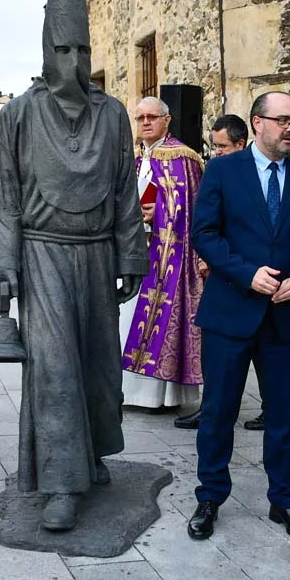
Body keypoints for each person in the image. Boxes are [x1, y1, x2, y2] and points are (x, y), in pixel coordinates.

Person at [0, 0, 147, 533]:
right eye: (64, 47)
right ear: (46, 49)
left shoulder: (112, 116)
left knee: (97, 369)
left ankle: (92, 456)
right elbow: (4, 196)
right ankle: (59, 483)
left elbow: (122, 190)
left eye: (83, 47)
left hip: (95, 254)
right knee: (54, 369)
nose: (75, 60)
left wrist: (130, 256)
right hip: (47, 257)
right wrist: (3, 261)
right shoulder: (19, 116)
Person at [187, 91, 290, 543]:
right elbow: (203, 234)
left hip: (283, 319)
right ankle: (209, 497)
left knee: (285, 415)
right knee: (218, 412)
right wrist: (247, 274)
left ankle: (284, 501)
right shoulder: (223, 170)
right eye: (283, 120)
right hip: (229, 313)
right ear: (258, 123)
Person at [120, 96, 204, 419]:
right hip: (137, 250)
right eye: (140, 117)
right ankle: (133, 390)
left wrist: (161, 213)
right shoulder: (140, 156)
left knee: (158, 320)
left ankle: (162, 396)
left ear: (167, 120)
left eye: (152, 117)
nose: (145, 123)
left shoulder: (183, 157)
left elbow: (193, 211)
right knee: (129, 320)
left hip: (168, 256)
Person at [197, 113, 264, 432]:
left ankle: (270, 406)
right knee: (220, 364)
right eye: (213, 146)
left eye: (221, 146)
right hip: (225, 282)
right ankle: (213, 406)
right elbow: (207, 226)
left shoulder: (261, 177)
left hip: (261, 283)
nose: (216, 152)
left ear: (241, 143)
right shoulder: (217, 173)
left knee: (265, 357)